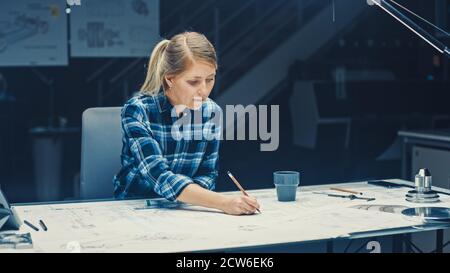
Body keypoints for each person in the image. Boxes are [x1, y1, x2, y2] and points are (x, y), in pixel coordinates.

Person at [113, 32, 260, 215]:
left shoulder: (212, 112)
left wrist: (188, 200)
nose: (204, 91)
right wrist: (223, 202)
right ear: (170, 78)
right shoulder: (137, 110)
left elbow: (208, 174)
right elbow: (159, 176)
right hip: (136, 206)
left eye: (210, 79)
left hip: (187, 209)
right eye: (193, 82)